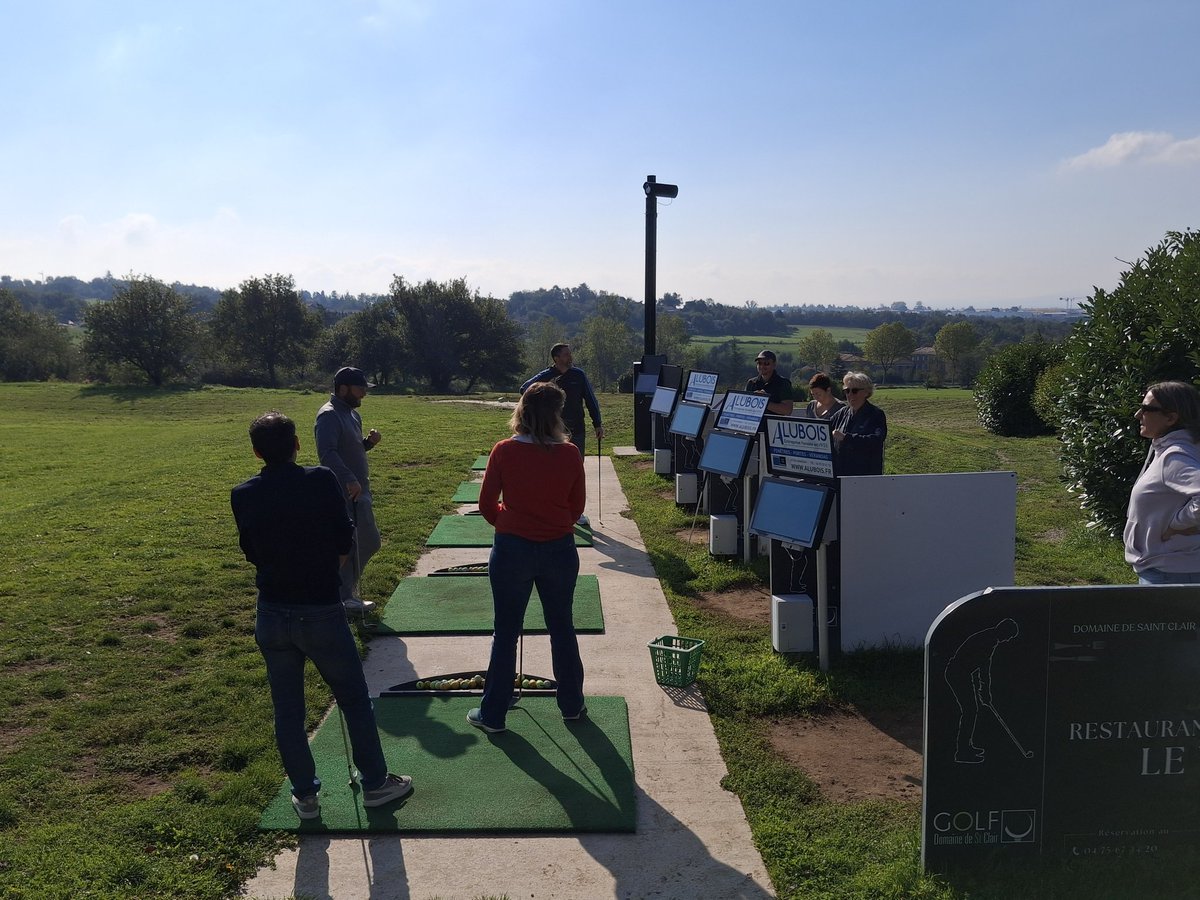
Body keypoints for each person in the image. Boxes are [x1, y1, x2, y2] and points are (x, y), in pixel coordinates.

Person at [231, 412, 411, 819]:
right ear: (297, 445)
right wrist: (329, 574)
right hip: (321, 611)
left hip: (272, 613)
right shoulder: (320, 480)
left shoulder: (242, 493)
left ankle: (305, 795)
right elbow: (343, 537)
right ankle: (376, 784)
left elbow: (251, 553)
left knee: (288, 709)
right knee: (353, 700)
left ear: (257, 452)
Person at [468, 382, 587, 734]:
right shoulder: (569, 454)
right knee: (561, 627)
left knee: (506, 632)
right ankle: (571, 704)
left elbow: (487, 506)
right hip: (559, 551)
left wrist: (509, 519)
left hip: (511, 550)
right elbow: (575, 508)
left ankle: (493, 714)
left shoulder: (504, 450)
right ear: (556, 414)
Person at [315, 366, 382, 613]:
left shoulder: (352, 415)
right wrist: (349, 479)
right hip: (345, 491)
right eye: (360, 388)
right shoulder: (329, 415)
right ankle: (344, 597)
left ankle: (345, 594)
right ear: (343, 389)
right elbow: (327, 453)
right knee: (359, 542)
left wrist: (368, 444)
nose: (364, 393)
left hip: (359, 489)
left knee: (362, 542)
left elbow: (349, 450)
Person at [1123, 381, 1200, 584]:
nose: (1138, 415)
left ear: (1171, 418)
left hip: (1170, 572)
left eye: (1147, 409)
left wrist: (1178, 524)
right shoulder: (1181, 448)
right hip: (1172, 567)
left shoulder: (1175, 456)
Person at [521, 343, 604, 458]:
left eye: (570, 354)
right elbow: (524, 389)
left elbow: (591, 400)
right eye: (566, 354)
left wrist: (597, 424)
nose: (570, 357)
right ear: (556, 358)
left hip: (576, 428)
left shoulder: (579, 375)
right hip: (551, 429)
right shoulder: (546, 375)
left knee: (577, 463)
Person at [829, 371, 887, 476]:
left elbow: (876, 441)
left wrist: (846, 438)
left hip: (864, 476)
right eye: (847, 391)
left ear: (866, 392)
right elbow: (825, 427)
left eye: (854, 391)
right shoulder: (842, 413)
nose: (850, 394)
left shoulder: (876, 414)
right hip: (841, 474)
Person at [745, 350, 794, 416]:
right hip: (755, 424)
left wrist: (763, 401)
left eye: (766, 363)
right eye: (759, 363)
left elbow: (787, 410)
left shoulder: (783, 383)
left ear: (774, 365)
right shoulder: (751, 383)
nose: (762, 366)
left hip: (773, 425)